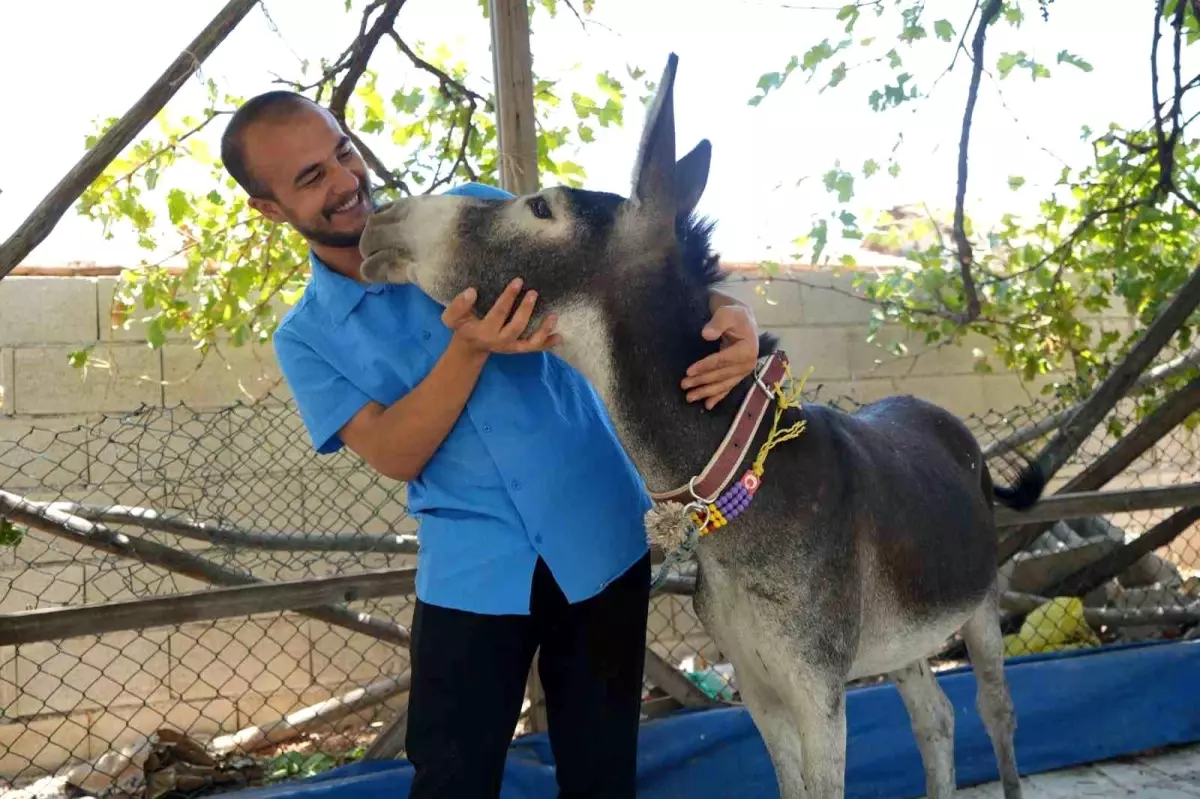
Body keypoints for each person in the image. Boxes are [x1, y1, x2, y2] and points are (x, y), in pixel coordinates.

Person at [219, 90, 761, 799]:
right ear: (269, 208)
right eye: (310, 178)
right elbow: (393, 452)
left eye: (341, 152)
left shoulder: (477, 219)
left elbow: (617, 272)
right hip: (473, 573)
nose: (346, 181)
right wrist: (467, 349)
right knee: (451, 778)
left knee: (601, 775)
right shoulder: (306, 336)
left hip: (600, 540)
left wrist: (737, 313)